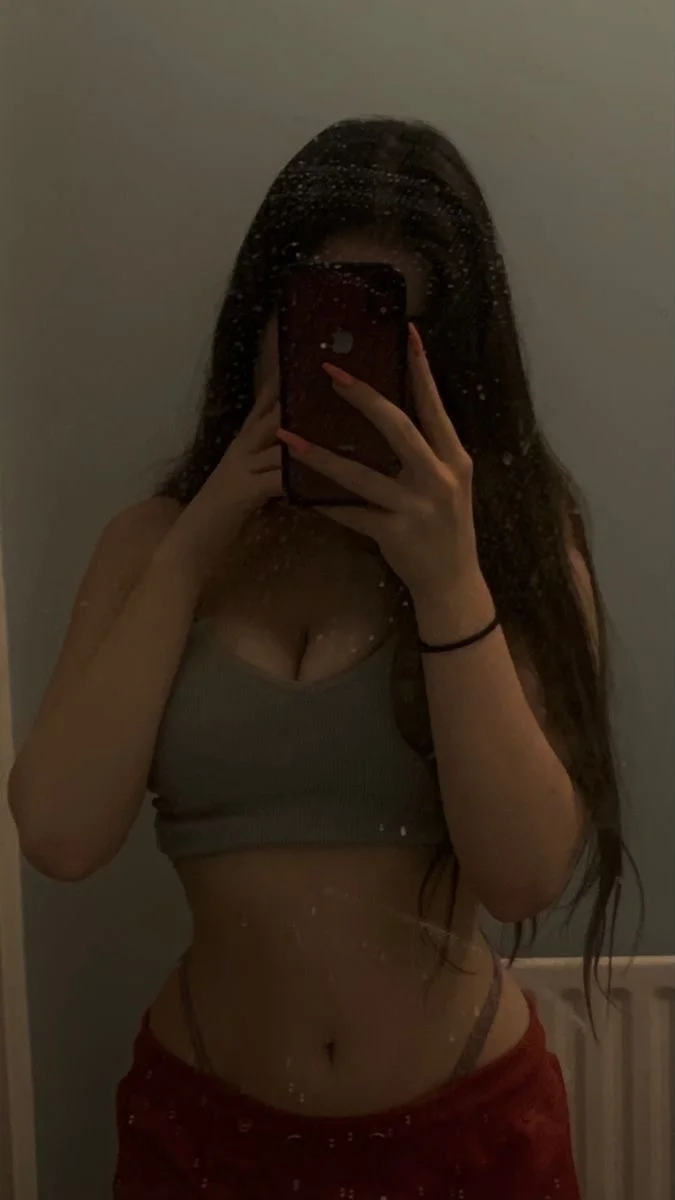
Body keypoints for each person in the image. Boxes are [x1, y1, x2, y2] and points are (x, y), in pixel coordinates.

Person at [9, 117, 638, 1198]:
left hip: (469, 1141)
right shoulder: (153, 545)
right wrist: (198, 537)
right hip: (201, 1139)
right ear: (259, 320)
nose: (347, 367)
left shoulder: (518, 547)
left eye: (388, 332)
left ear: (454, 359)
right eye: (315, 316)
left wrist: (449, 582)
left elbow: (525, 873)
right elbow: (61, 832)